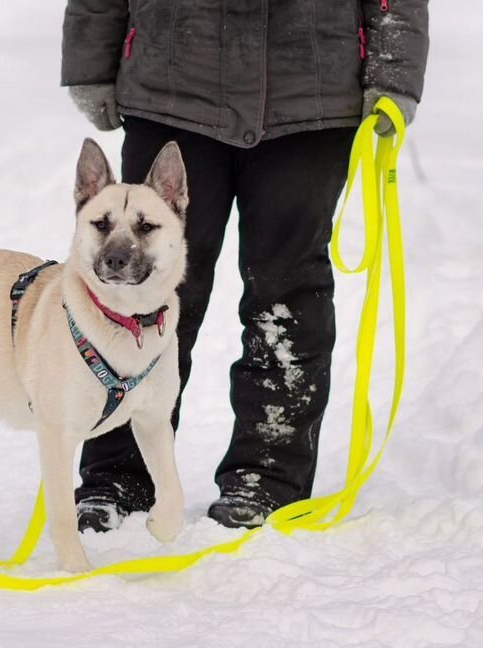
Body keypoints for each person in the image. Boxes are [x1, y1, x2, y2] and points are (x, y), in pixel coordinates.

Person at [61, 0, 429, 530]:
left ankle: (268, 480)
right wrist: (90, 59)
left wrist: (394, 71)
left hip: (310, 93)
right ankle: (116, 477)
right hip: (173, 83)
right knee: (136, 297)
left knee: (287, 295)